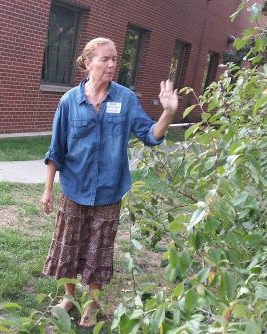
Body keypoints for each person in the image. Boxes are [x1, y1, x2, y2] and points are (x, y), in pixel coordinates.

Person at [40, 37, 178, 328]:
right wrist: (48, 189)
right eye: (105, 59)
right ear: (88, 63)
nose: (112, 64)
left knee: (98, 249)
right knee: (69, 247)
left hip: (109, 191)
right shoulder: (69, 101)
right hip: (74, 188)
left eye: (115, 59)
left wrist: (168, 112)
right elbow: (56, 149)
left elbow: (150, 135)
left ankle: (91, 304)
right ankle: (69, 296)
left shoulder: (125, 99)